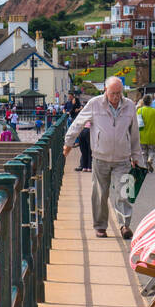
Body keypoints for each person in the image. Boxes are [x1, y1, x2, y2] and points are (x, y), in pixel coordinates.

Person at [63, 77, 141, 239]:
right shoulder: (95, 104)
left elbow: (134, 134)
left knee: (124, 192)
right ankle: (100, 226)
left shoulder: (129, 106)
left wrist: (136, 156)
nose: (116, 97)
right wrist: (68, 143)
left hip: (123, 157)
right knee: (99, 194)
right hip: (100, 156)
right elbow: (78, 123)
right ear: (105, 90)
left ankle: (124, 225)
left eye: (119, 93)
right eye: (113, 93)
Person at [136, 94, 155, 170]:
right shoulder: (154, 111)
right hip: (152, 135)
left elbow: (137, 123)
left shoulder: (139, 110)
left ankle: (146, 166)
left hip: (142, 134)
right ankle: (150, 159)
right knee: (152, 150)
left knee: (144, 152)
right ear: (151, 102)